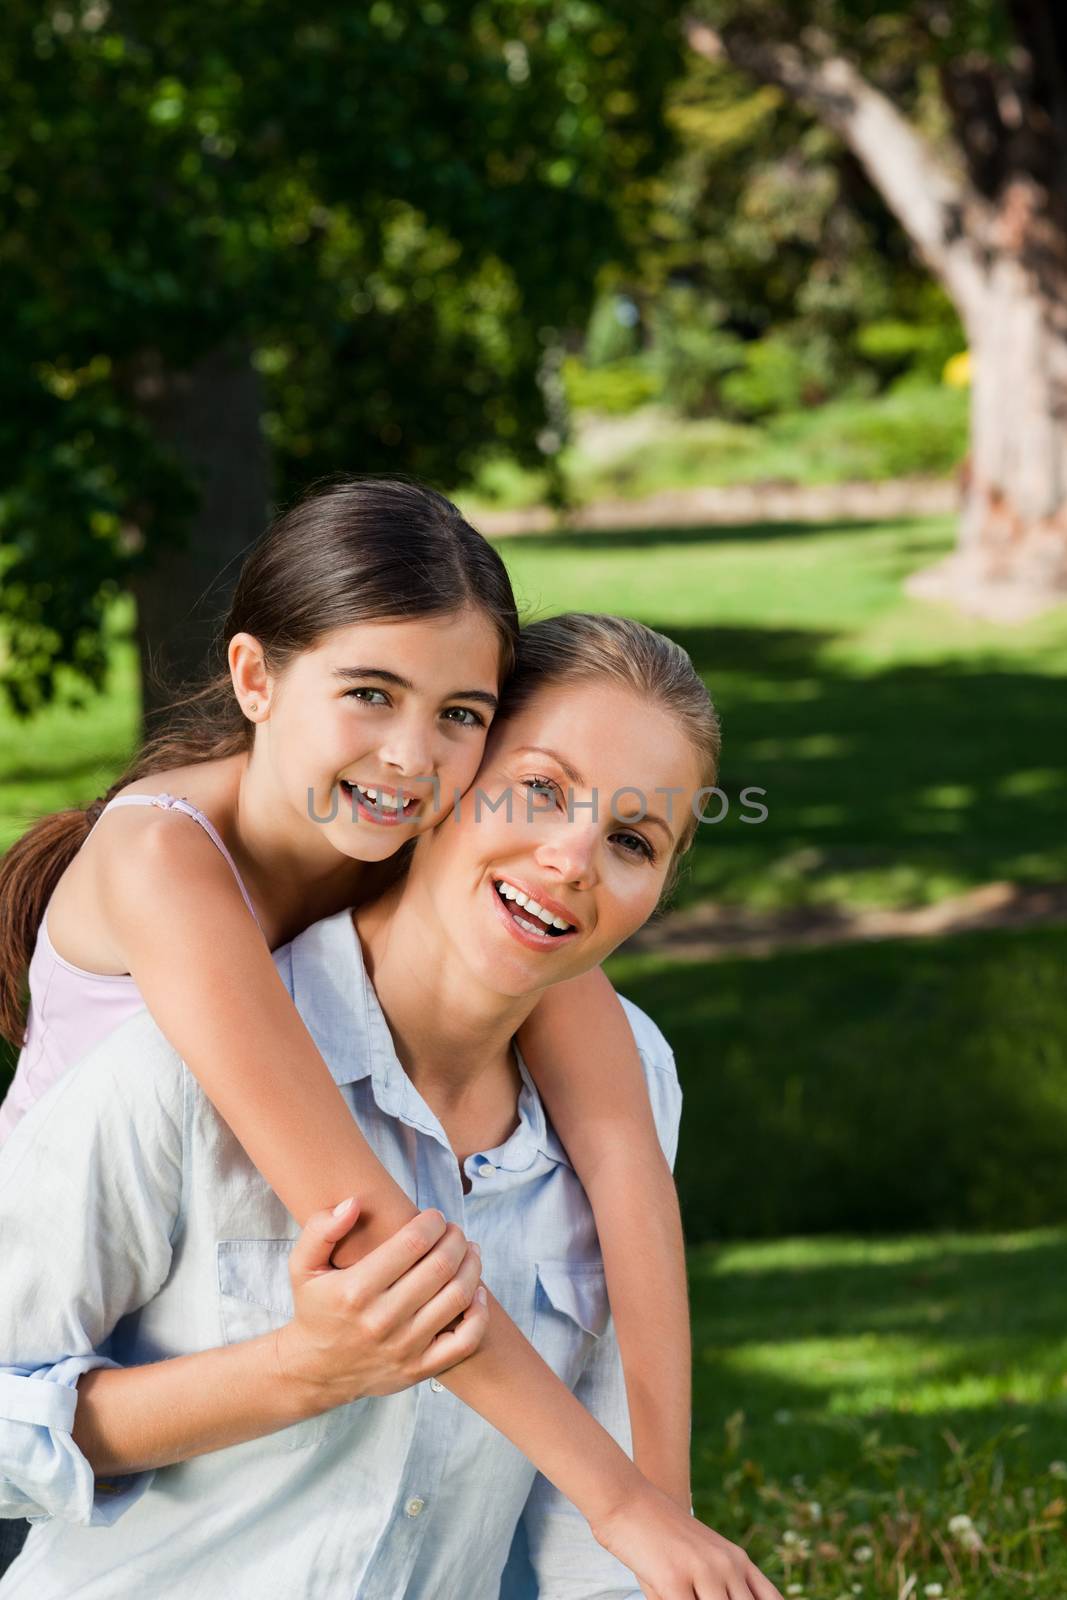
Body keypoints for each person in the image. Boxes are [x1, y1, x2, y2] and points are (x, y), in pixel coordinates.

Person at [0, 614, 781, 1600]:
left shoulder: (628, 1078)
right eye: (539, 788)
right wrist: (300, 1369)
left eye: (632, 838)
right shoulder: (182, 1058)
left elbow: (609, 1529)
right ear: (436, 785)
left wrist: (655, 1531)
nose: (574, 857)